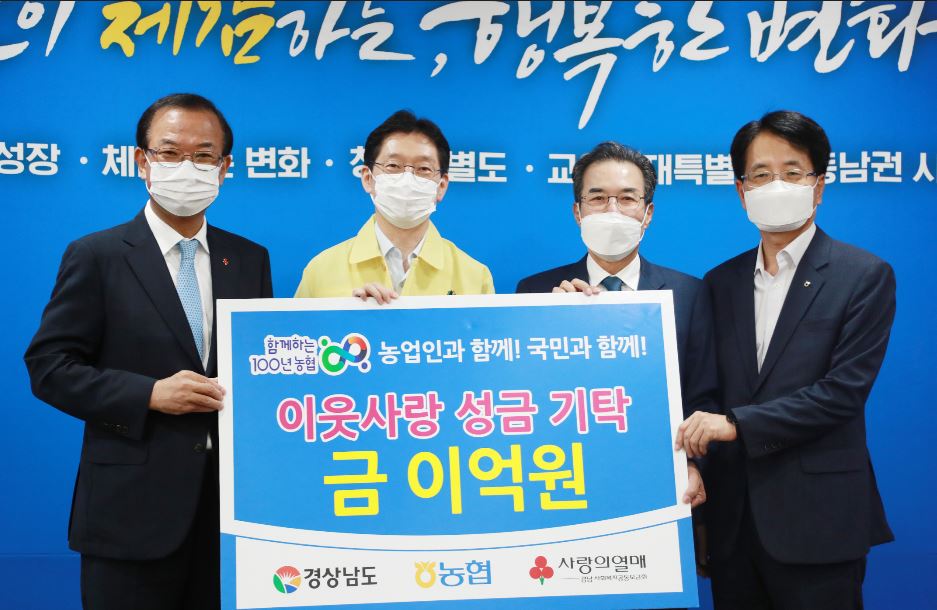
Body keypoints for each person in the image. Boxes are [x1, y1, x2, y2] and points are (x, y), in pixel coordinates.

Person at [24, 93, 273, 610]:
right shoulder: (97, 255)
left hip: (229, 515)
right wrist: (149, 394)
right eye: (170, 153)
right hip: (129, 514)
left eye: (204, 156)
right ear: (142, 161)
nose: (187, 167)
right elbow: (49, 367)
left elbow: (264, 364)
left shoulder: (249, 259)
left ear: (225, 167)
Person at [675, 110, 895, 609]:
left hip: (819, 520)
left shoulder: (863, 275)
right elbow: (705, 391)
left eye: (793, 173)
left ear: (819, 187)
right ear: (741, 191)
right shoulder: (720, 282)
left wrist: (736, 424)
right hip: (733, 524)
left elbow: (842, 393)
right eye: (761, 174)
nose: (776, 185)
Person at [516, 141, 718, 510]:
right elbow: (521, 398)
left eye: (627, 199)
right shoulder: (536, 292)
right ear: (577, 212)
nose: (613, 210)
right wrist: (552, 322)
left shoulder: (689, 293)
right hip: (563, 479)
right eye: (597, 198)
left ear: (648, 212)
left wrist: (691, 466)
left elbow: (702, 397)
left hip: (660, 479)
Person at [294, 109, 493, 301]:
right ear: (368, 178)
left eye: (423, 168)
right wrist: (350, 313)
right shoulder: (320, 272)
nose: (407, 179)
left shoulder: (475, 278)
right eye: (393, 166)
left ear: (441, 186)